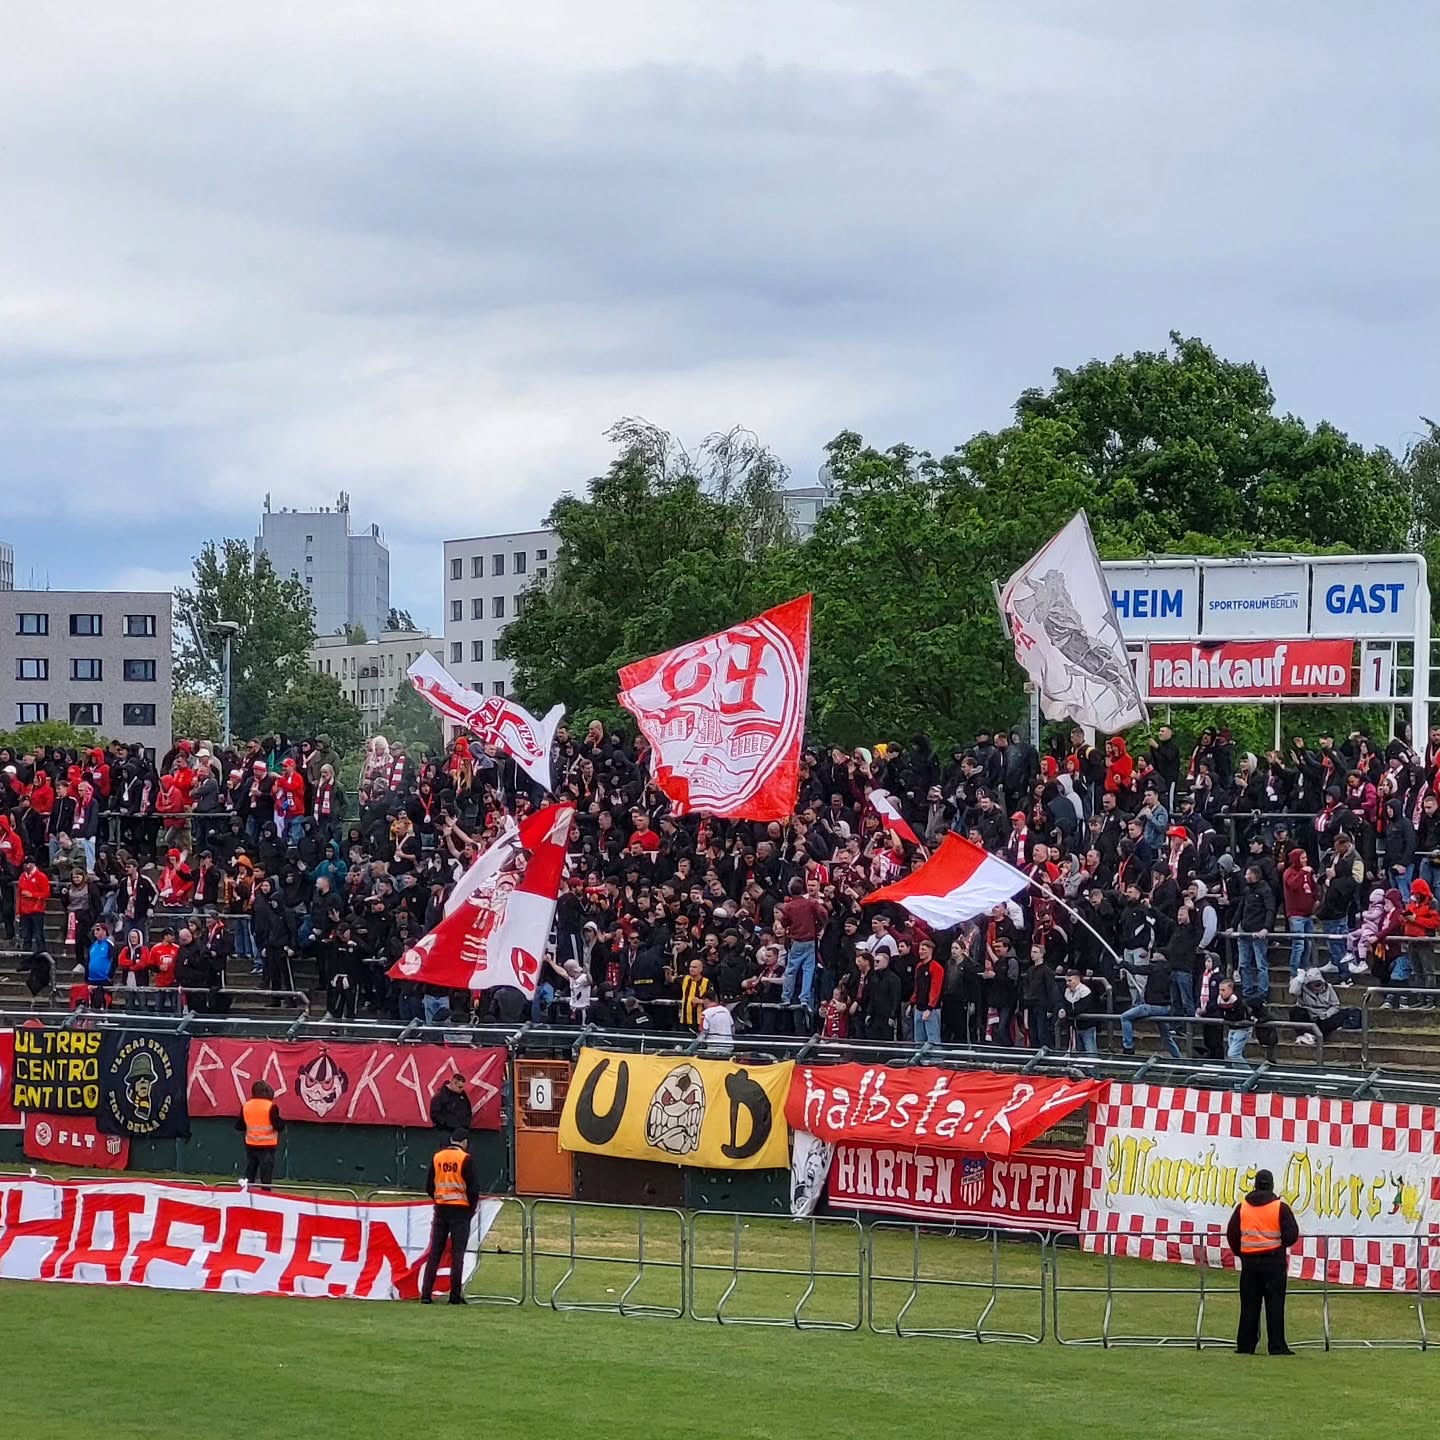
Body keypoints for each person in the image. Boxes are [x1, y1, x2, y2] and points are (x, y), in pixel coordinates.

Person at [1226, 1167, 1299, 1355]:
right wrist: (1279, 1244)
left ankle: (1245, 1346)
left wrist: (1241, 1253)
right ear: (1272, 1185)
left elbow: (1232, 1234)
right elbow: (1291, 1235)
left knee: (1249, 1306)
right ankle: (1276, 1346)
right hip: (1274, 1262)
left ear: (1255, 1185)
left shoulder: (1243, 1207)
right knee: (1275, 1306)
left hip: (1250, 1263)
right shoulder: (1279, 1207)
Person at [421, 1129, 480, 1305]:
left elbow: (429, 1186)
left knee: (435, 1252)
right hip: (460, 1210)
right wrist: (470, 1210)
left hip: (441, 1209)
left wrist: (439, 1197)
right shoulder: (465, 1159)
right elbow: (473, 1189)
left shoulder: (437, 1157)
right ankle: (454, 1295)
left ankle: (426, 1294)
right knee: (457, 1253)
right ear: (464, 1142)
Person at [236, 1079, 284, 1190]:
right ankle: (265, 1197)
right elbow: (278, 1126)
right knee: (266, 1175)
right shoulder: (271, 1107)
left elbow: (239, 1126)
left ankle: (246, 1194)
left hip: (251, 1145)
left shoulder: (246, 1106)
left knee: (250, 1172)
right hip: (267, 1146)